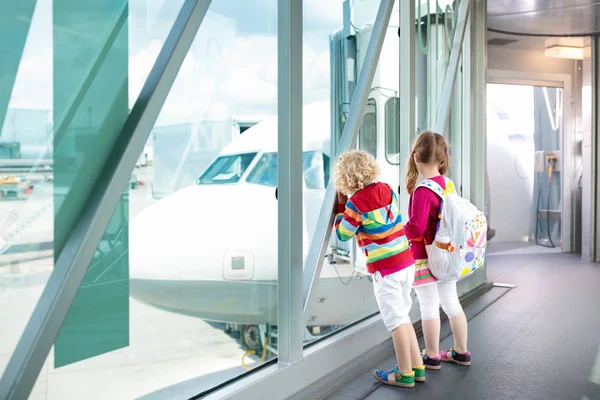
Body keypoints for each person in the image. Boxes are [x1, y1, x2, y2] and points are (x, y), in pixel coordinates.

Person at [333, 150, 424, 388]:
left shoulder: (356, 203)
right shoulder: (386, 188)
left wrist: (339, 213)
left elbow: (343, 234)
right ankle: (417, 366)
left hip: (386, 270)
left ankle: (404, 374)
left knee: (396, 321)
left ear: (346, 180)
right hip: (405, 262)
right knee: (404, 316)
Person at [404, 131, 471, 370]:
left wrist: (399, 229)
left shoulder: (423, 191)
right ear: (443, 158)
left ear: (414, 156)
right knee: (451, 303)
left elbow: (416, 229)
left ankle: (431, 355)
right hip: (447, 255)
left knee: (429, 306)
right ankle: (461, 352)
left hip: (425, 258)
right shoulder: (447, 184)